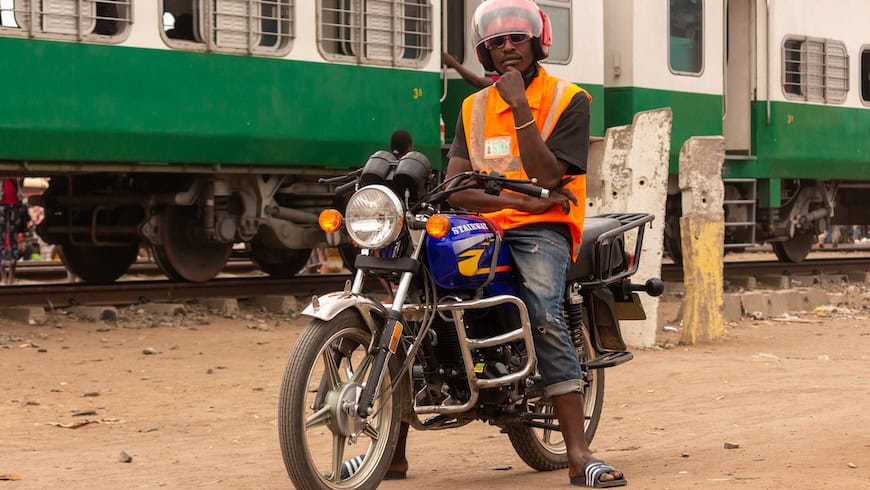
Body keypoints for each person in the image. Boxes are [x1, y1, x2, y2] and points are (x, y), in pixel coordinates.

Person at [345, 1, 626, 487]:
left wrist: (520, 108)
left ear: (538, 42)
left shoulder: (569, 100)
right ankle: (391, 452)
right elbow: (456, 187)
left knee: (543, 309)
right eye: (496, 42)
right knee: (414, 304)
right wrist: (518, 196)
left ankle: (579, 455)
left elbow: (549, 176)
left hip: (545, 228)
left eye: (516, 38)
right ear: (485, 52)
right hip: (481, 223)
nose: (507, 48)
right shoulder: (472, 108)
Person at [0, 178, 27, 284]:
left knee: (13, 240)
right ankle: (3, 276)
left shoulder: (16, 172)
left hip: (15, 204)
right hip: (3, 204)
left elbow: (21, 182)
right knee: (1, 241)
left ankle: (11, 275)